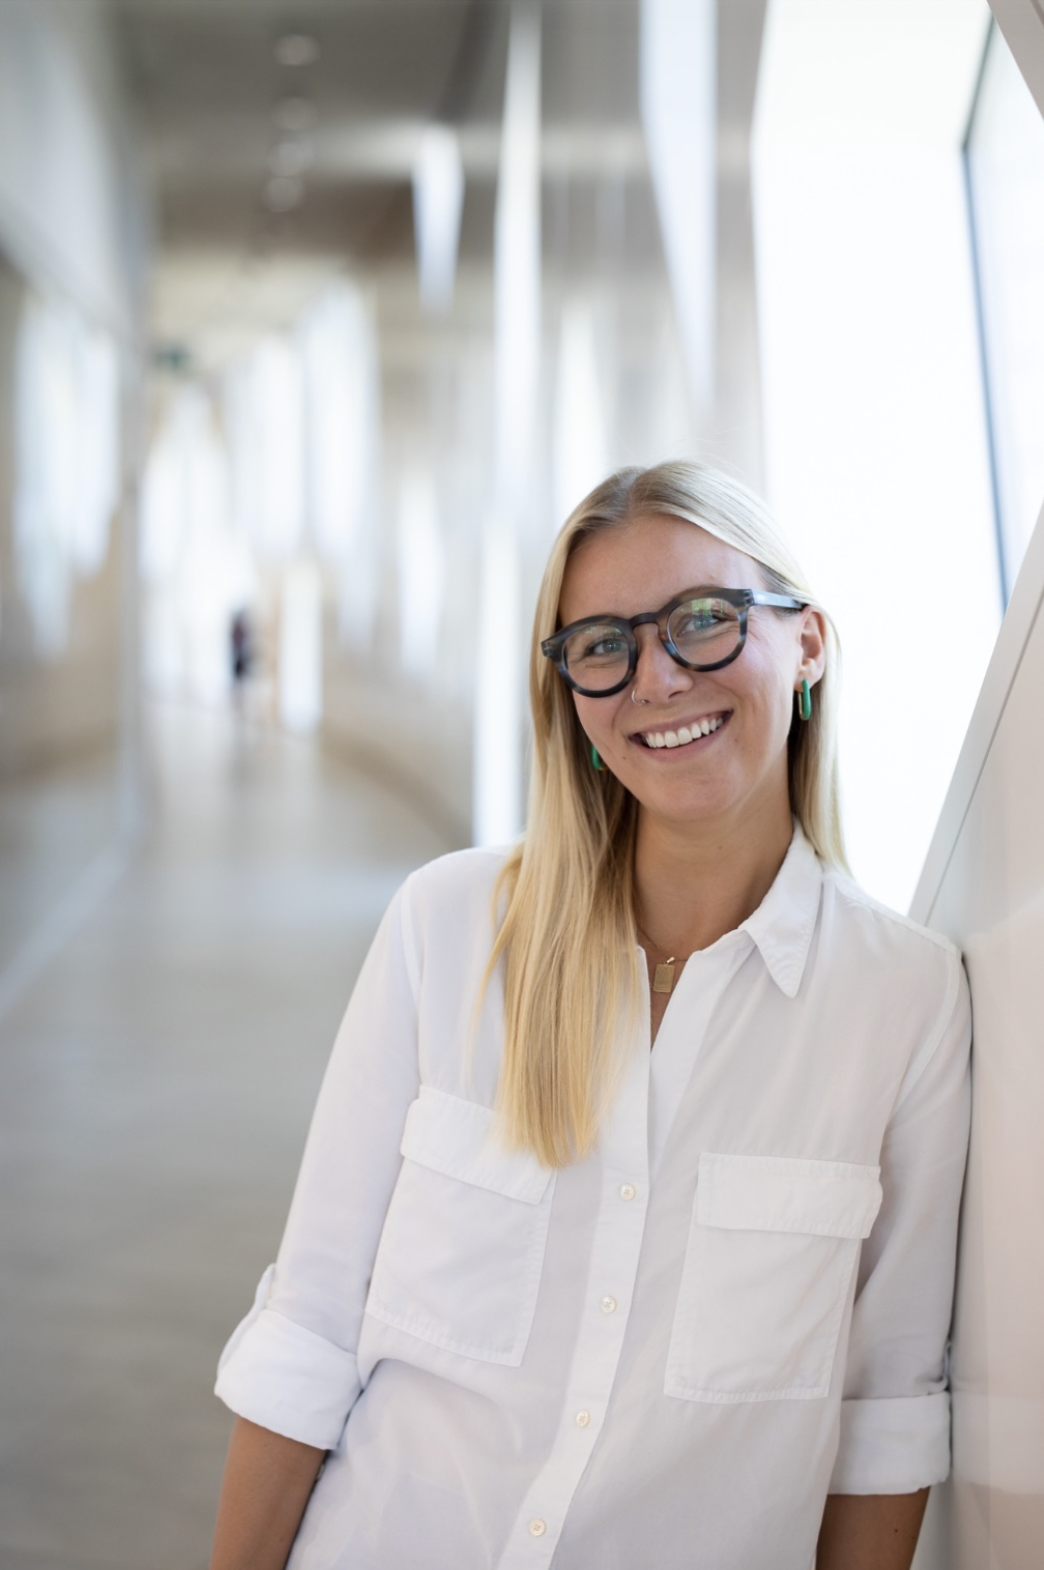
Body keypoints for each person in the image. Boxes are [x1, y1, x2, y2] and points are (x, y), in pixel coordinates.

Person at [210, 462, 970, 1570]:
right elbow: (312, 1327)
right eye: (604, 644)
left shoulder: (902, 1001)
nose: (656, 677)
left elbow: (884, 1415)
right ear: (567, 690)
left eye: (703, 621)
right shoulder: (450, 927)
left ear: (806, 642)